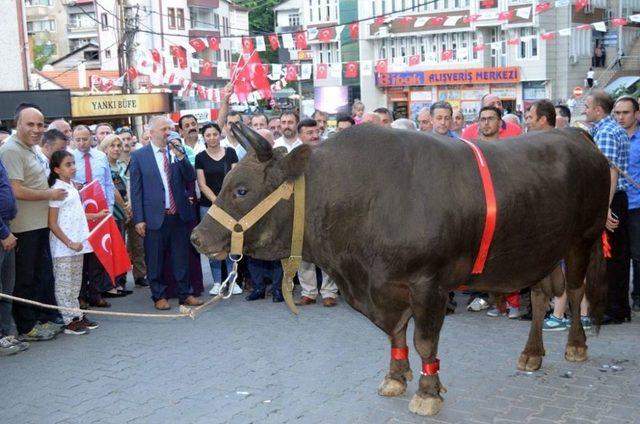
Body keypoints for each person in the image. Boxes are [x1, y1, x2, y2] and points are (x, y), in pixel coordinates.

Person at [0, 105, 66, 341]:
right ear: (17, 124)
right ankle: (27, 327)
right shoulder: (11, 151)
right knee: (25, 279)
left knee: (39, 276)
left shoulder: (32, 149)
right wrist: (49, 195)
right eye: (30, 124)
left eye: (40, 124)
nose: (37, 129)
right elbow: (16, 190)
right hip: (23, 227)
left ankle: (37, 321)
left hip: (39, 224)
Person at [129, 117, 203, 310]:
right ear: (151, 132)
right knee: (155, 258)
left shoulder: (177, 152)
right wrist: (139, 219)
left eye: (169, 129)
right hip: (154, 216)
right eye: (163, 129)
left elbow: (190, 176)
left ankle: (184, 293)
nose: (167, 133)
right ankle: (159, 295)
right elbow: (136, 190)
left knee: (181, 257)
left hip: (178, 215)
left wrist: (181, 156)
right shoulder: (139, 156)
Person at [585, 90, 631, 324]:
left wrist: (604, 208)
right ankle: (617, 307)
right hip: (613, 198)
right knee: (614, 256)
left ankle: (613, 309)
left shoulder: (606, 132)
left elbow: (609, 173)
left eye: (587, 106)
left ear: (598, 110)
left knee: (610, 256)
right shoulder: (607, 129)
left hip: (610, 197)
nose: (584, 110)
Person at [47, 150, 99, 335]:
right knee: (64, 284)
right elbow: (52, 222)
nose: (73, 168)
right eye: (68, 165)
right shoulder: (57, 190)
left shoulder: (71, 187)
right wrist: (69, 243)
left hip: (78, 244)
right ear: (57, 169)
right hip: (63, 247)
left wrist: (95, 215)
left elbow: (75, 214)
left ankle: (76, 314)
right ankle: (68, 320)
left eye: (73, 163)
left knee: (75, 283)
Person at [295, 119, 339, 307]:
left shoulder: (330, 156)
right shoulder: (294, 158)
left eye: (316, 131)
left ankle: (329, 292)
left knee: (328, 252)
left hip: (327, 212)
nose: (314, 136)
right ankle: (309, 292)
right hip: (302, 211)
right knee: (304, 254)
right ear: (300, 136)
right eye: (309, 133)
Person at [194, 123, 241, 296]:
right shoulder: (200, 157)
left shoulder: (231, 153)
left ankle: (232, 280)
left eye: (215, 134)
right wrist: (216, 201)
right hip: (209, 207)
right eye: (208, 135)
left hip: (230, 206)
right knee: (212, 244)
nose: (212, 138)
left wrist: (225, 202)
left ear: (220, 135)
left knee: (231, 243)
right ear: (204, 137)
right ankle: (216, 282)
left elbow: (234, 178)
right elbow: (202, 184)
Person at [72, 125, 116, 307]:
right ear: (73, 140)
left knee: (98, 254)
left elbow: (107, 183)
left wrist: (110, 208)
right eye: (78, 140)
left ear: (92, 138)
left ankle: (95, 293)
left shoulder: (100, 157)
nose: (82, 143)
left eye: (85, 139)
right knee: (82, 254)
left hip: (101, 211)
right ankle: (80, 295)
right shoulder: (69, 158)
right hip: (79, 212)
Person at [613, 96, 640, 312]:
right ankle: (620, 300)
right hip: (618, 203)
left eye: (626, 113)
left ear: (636, 114)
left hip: (637, 204)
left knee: (638, 254)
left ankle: (638, 295)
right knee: (619, 255)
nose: (621, 117)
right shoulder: (613, 136)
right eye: (617, 113)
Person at [0, 150, 26, 354]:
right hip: (2, 231)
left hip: (6, 227)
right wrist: (3, 232)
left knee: (6, 288)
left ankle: (6, 333)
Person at [100, 134, 132, 296]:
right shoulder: (102, 165)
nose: (117, 149)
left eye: (119, 145)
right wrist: (125, 207)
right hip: (111, 214)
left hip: (123, 213)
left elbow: (129, 184)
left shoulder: (121, 165)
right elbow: (111, 189)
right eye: (112, 146)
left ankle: (120, 283)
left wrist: (129, 204)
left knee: (121, 250)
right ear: (105, 148)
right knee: (110, 251)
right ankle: (110, 285)